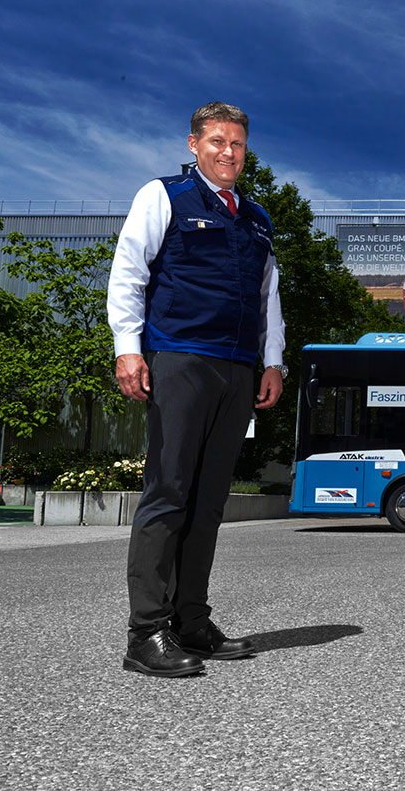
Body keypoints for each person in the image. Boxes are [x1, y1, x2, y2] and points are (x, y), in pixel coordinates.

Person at [107, 102, 286, 678]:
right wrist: (127, 347)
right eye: (216, 141)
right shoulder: (163, 197)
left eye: (237, 143)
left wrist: (273, 362)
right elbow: (129, 271)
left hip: (237, 369)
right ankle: (146, 633)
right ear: (194, 145)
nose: (227, 152)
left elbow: (268, 300)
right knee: (169, 492)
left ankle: (191, 621)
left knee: (209, 502)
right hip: (180, 358)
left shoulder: (256, 217)